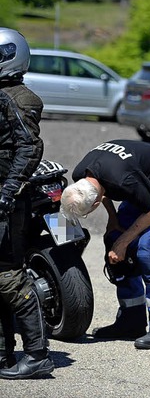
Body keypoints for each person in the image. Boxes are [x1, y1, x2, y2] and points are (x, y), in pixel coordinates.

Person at [60, 139, 150, 349]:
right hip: (141, 177)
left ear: (95, 202)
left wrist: (124, 242)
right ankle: (131, 319)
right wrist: (113, 221)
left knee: (149, 248)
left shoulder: (123, 179)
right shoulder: (81, 175)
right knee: (113, 238)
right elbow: (100, 190)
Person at [0, 27, 52, 379]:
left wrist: (7, 191)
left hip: (6, 200)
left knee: (7, 276)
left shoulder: (17, 97)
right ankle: (5, 352)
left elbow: (30, 147)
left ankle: (36, 354)